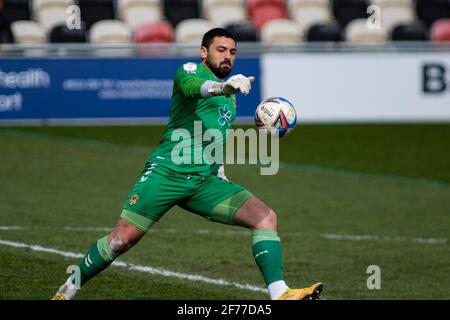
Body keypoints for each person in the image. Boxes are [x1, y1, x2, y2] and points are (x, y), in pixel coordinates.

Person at [51, 28, 323, 300]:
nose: (227, 56)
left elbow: (215, 138)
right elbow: (196, 89)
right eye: (221, 50)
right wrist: (223, 86)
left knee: (265, 218)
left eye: (232, 52)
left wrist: (219, 172)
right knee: (121, 240)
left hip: (204, 182)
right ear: (204, 52)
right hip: (167, 173)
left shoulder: (231, 98)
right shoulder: (189, 70)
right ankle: (69, 290)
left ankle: (280, 294)